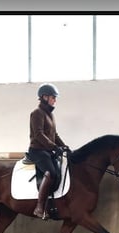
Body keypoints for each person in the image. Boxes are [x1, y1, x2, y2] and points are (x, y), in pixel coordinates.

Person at [28, 83, 69, 220]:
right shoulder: (37, 113)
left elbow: (54, 135)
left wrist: (64, 147)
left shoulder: (50, 115)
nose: (55, 100)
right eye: (53, 97)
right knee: (51, 172)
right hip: (37, 151)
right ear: (44, 97)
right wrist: (53, 147)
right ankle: (39, 207)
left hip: (48, 151)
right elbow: (39, 134)